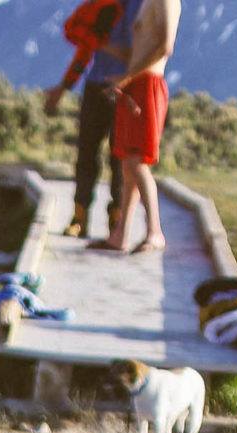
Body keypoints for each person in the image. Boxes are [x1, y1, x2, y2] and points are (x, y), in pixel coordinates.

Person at [102, 0, 180, 254]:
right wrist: (101, 44)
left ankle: (155, 232)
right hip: (137, 85)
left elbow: (164, 47)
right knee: (128, 165)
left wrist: (126, 78)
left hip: (148, 86)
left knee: (137, 162)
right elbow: (140, 50)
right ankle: (121, 234)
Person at [44, 0, 126, 240]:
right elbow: (79, 41)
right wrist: (63, 87)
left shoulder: (140, 7)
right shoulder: (102, 6)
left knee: (119, 156)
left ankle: (117, 218)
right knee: (86, 152)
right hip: (96, 88)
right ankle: (79, 217)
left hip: (127, 89)